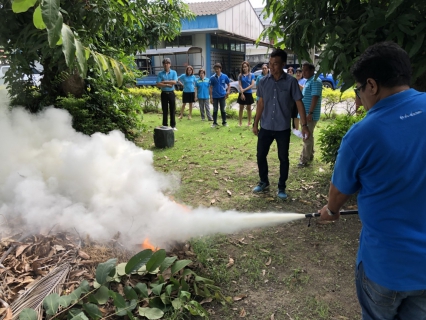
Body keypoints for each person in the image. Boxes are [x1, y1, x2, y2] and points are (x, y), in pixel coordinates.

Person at [318, 41, 426, 320]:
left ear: (372, 85)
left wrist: (331, 211)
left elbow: (337, 194)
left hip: (385, 269)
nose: (360, 97)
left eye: (359, 90)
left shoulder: (362, 134)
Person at [252, 49, 309, 200]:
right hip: (265, 127)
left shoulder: (291, 82)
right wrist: (255, 123)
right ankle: (264, 181)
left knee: (283, 158)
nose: (272, 67)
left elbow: (299, 103)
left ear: (283, 64)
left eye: (275, 64)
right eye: (270, 63)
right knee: (260, 155)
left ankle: (281, 187)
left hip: (282, 128)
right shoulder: (263, 81)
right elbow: (261, 104)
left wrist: (304, 125)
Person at [298, 62, 322, 167]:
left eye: (306, 70)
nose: (303, 72)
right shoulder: (309, 80)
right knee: (309, 135)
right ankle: (310, 155)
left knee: (306, 136)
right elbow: (306, 92)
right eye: (302, 70)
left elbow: (315, 97)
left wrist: (310, 113)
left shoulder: (316, 80)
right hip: (305, 114)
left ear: (312, 70)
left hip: (309, 115)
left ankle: (304, 159)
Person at [156, 58, 178, 131]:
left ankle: (173, 125)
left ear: (170, 64)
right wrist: (168, 84)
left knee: (172, 109)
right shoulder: (160, 73)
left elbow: (174, 82)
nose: (166, 64)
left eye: (167, 63)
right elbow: (158, 84)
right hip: (164, 94)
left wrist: (164, 82)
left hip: (171, 93)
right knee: (164, 110)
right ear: (163, 65)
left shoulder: (174, 72)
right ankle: (165, 125)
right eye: (164, 63)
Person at [209, 63, 230, 128]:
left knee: (223, 110)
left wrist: (228, 91)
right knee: (215, 110)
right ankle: (214, 123)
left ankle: (224, 122)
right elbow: (210, 87)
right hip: (215, 96)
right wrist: (211, 97)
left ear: (220, 69)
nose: (216, 70)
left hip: (222, 96)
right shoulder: (212, 78)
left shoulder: (225, 76)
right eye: (215, 69)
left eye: (218, 69)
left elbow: (229, 84)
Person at [237, 61, 255, 127]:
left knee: (249, 108)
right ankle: (240, 122)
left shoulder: (251, 75)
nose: (244, 68)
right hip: (242, 93)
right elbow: (239, 84)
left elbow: (252, 84)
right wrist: (242, 93)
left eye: (245, 67)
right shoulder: (240, 75)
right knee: (241, 108)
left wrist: (244, 90)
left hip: (248, 93)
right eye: (243, 67)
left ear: (248, 67)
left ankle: (249, 122)